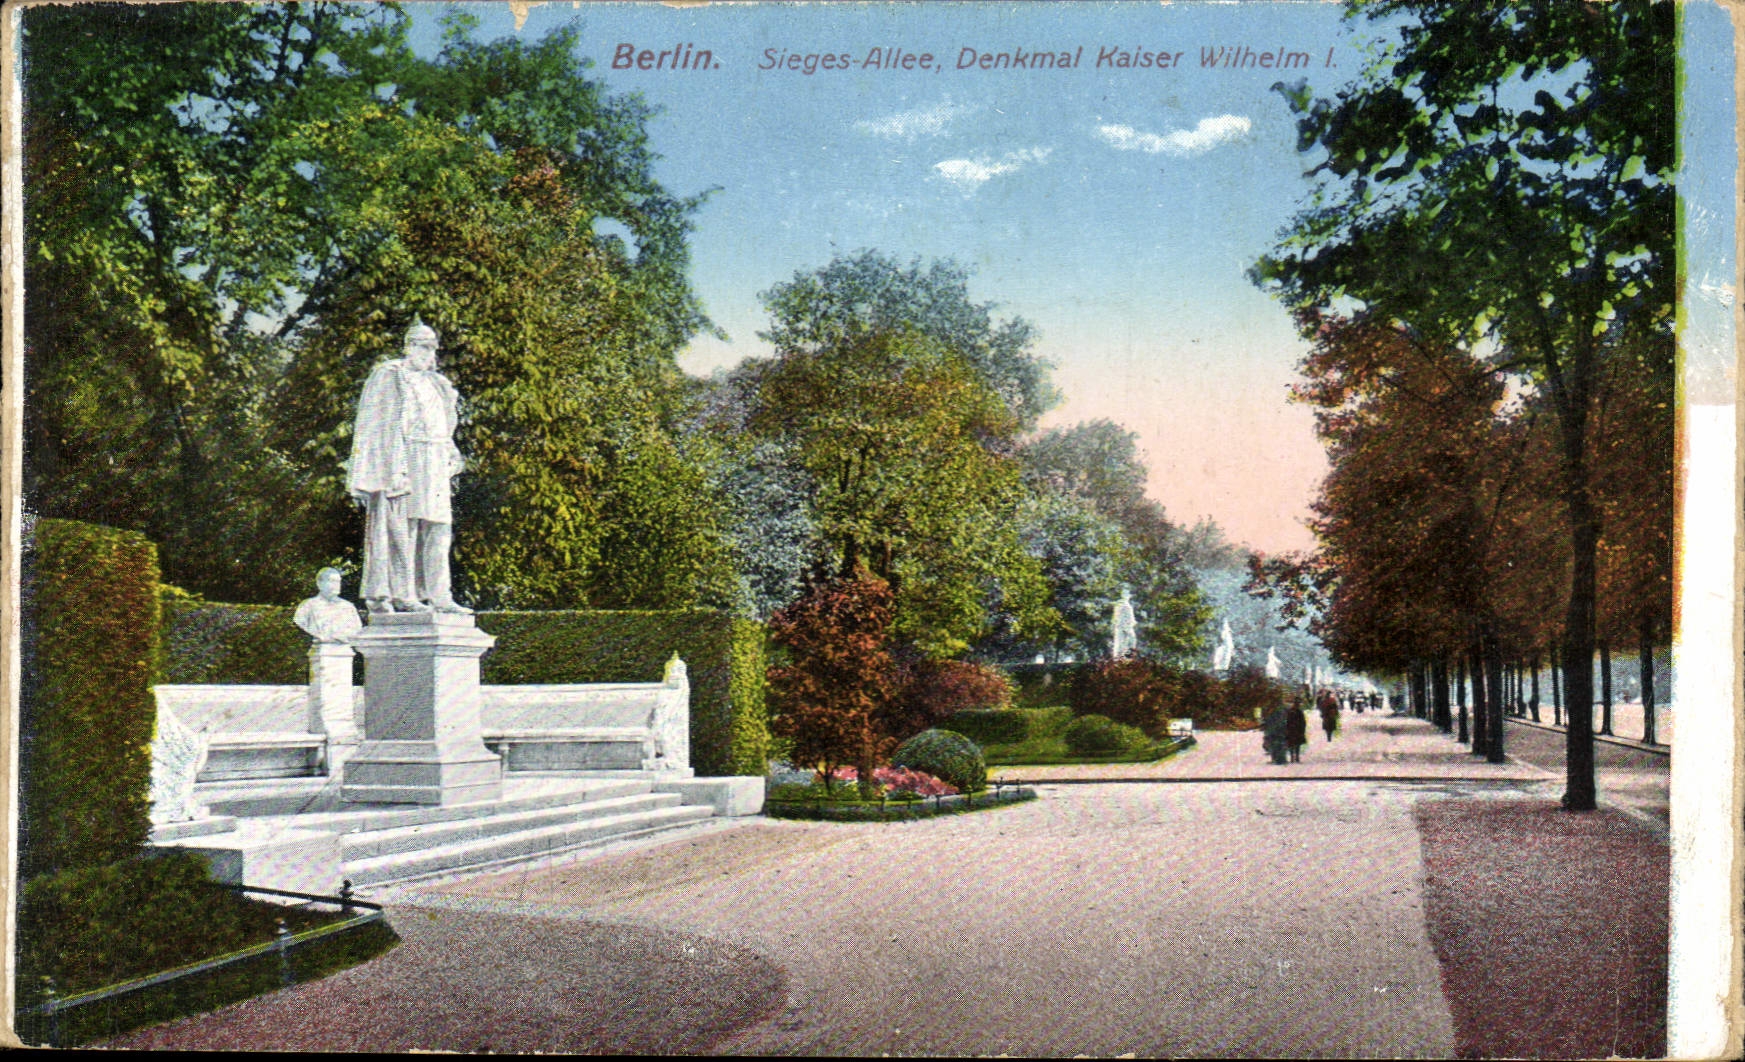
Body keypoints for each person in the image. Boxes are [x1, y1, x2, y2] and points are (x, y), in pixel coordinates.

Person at [347, 318, 472, 615]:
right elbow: (376, 424)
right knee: (404, 527)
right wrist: (389, 466)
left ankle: (440, 595)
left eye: (433, 347)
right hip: (405, 457)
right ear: (409, 347)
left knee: (439, 527)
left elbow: (442, 425)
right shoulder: (390, 375)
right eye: (424, 346)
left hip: (435, 459)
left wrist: (450, 450)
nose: (430, 353)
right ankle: (404, 594)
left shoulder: (436, 383)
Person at [293, 567, 364, 643]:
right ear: (319, 583)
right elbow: (300, 622)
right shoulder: (308, 606)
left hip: (344, 651)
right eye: (332, 581)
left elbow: (357, 629)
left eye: (338, 582)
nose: (336, 585)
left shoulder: (348, 607)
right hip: (322, 650)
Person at [1285, 697, 1309, 762]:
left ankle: (1293, 757)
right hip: (1296, 729)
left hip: (1293, 729)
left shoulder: (1291, 711)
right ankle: (1295, 757)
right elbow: (1303, 722)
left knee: (1292, 744)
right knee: (1296, 744)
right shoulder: (1298, 711)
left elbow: (1287, 721)